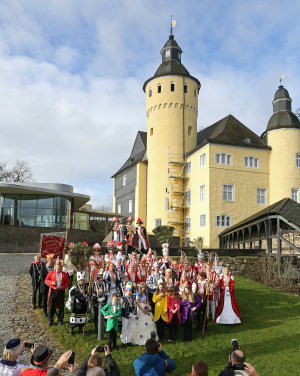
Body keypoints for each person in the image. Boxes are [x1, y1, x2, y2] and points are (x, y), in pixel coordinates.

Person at [45, 258, 69, 326]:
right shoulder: (51, 273)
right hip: (53, 291)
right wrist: (51, 282)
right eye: (57, 266)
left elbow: (67, 282)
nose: (58, 267)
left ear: (61, 267)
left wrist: (63, 287)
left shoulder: (64, 274)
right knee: (51, 306)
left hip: (61, 292)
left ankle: (60, 320)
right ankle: (50, 320)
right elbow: (46, 280)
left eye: (59, 266)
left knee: (61, 307)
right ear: (55, 267)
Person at [67, 271, 89, 335]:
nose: (81, 281)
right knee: (75, 319)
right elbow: (72, 293)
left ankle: (80, 329)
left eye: (82, 280)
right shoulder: (75, 287)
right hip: (77, 305)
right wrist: (80, 294)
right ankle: (71, 328)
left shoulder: (86, 287)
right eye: (80, 280)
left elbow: (88, 293)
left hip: (84, 305)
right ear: (78, 280)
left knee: (82, 319)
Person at [120, 282, 136, 348]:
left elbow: (134, 306)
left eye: (130, 291)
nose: (130, 292)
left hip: (131, 315)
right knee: (125, 329)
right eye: (129, 291)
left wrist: (134, 314)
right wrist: (128, 313)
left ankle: (128, 341)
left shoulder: (132, 297)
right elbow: (122, 307)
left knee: (130, 328)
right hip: (125, 316)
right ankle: (123, 342)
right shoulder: (122, 298)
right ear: (125, 291)